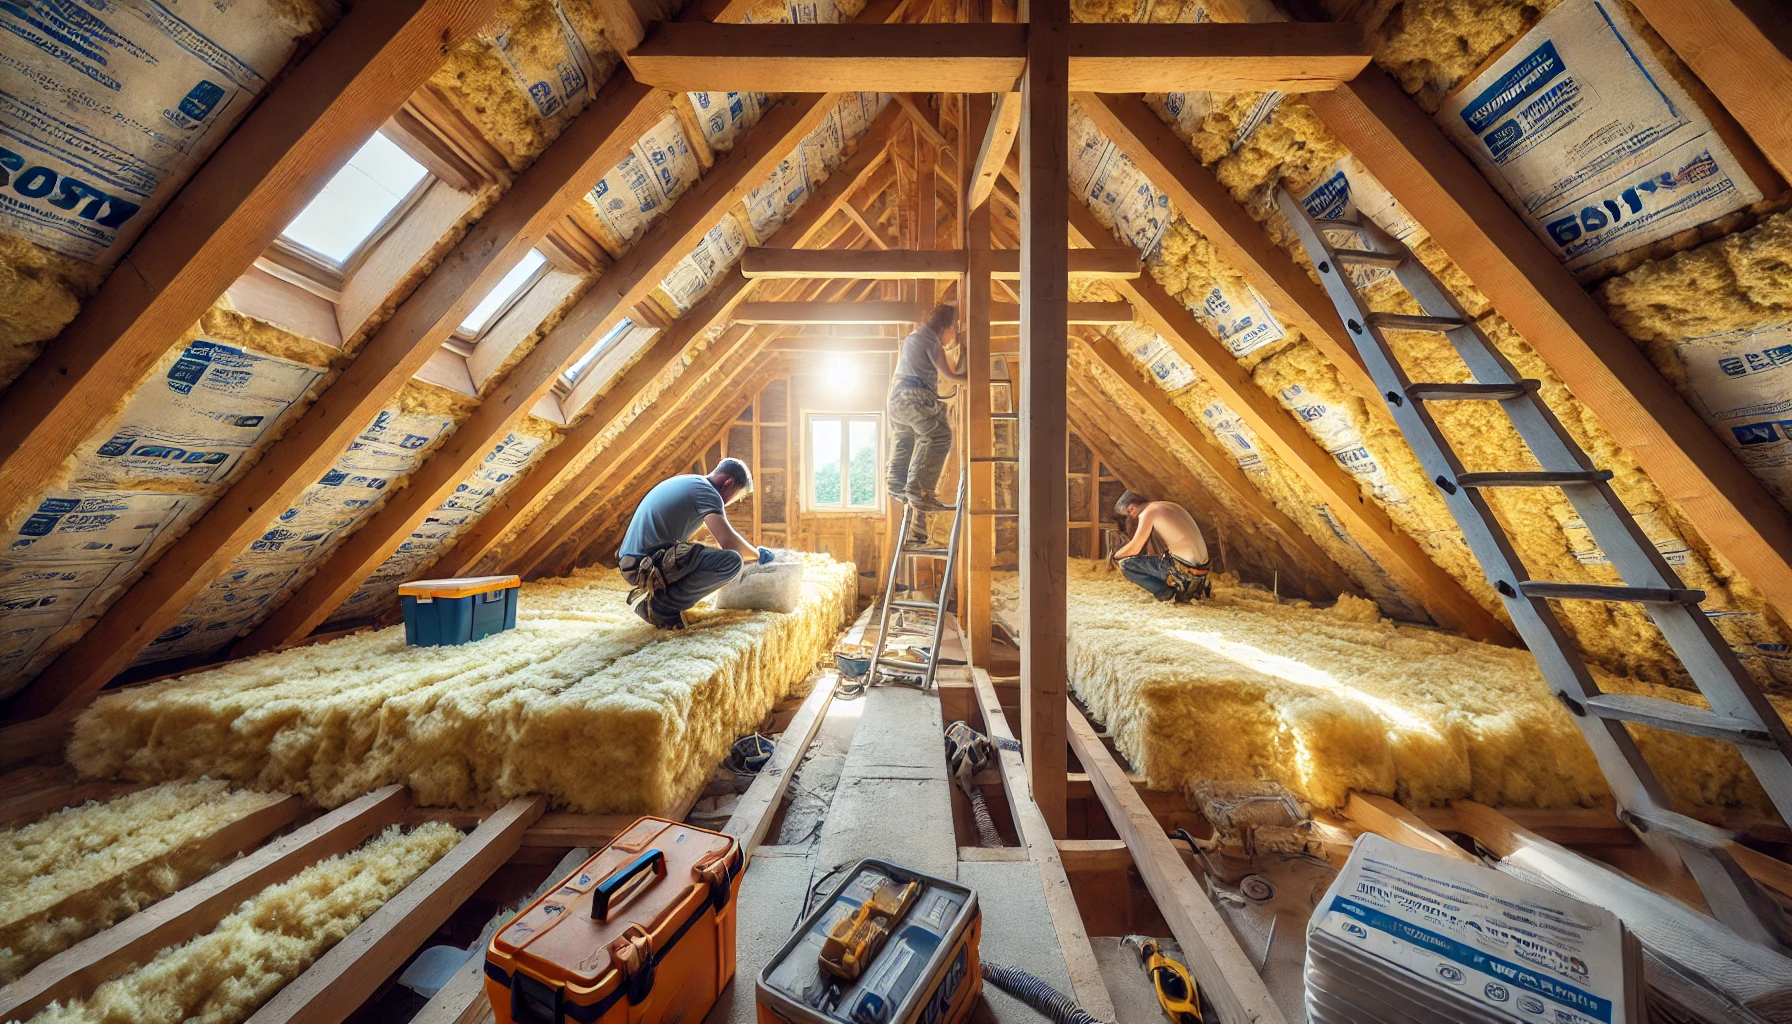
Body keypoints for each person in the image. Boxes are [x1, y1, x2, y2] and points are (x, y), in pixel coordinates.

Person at [617, 458, 773, 629]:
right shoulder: (708, 493)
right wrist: (757, 554)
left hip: (633, 562)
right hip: (646, 565)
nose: (727, 503)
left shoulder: (689, 482)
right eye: (734, 496)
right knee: (732, 562)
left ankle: (660, 600)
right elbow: (730, 545)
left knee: (702, 554)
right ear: (728, 482)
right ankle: (661, 607)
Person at [886, 305, 966, 540]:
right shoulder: (932, 341)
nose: (955, 334)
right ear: (947, 325)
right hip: (914, 398)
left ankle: (898, 485)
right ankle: (919, 491)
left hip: (896, 403)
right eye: (955, 327)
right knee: (939, 436)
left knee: (907, 440)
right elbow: (949, 375)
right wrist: (973, 378)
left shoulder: (914, 337)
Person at [1110, 491, 1212, 603]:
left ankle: (1166, 593)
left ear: (1131, 508)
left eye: (1129, 515)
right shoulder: (1170, 506)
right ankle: (1189, 590)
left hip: (1185, 571)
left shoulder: (1148, 512)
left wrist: (1116, 556)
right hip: (1202, 571)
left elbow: (1135, 548)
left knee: (1126, 564)